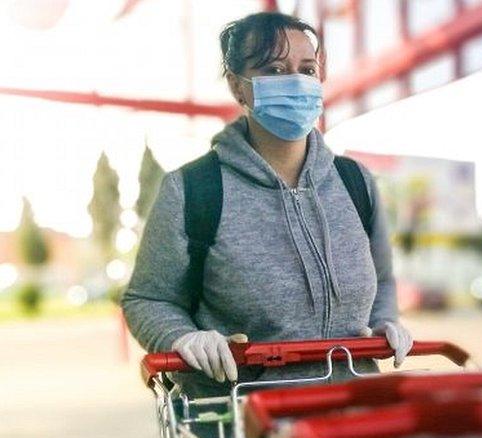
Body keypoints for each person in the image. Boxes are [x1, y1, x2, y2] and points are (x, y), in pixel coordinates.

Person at [122, 11, 413, 402]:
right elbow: (148, 298)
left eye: (307, 69)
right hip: (239, 429)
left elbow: (382, 280)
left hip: (350, 417)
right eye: (274, 69)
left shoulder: (354, 182)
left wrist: (384, 323)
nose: (295, 81)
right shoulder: (192, 190)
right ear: (238, 88)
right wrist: (183, 337)